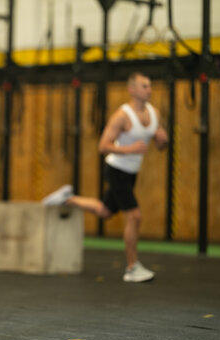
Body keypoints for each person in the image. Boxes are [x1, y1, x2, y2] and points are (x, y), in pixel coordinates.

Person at [43, 72, 168, 283]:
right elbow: (103, 146)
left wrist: (162, 141)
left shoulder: (154, 114)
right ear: (132, 90)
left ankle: (67, 198)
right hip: (116, 170)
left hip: (131, 173)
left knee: (105, 211)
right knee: (134, 216)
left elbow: (160, 146)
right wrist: (130, 149)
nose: (149, 90)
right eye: (144, 86)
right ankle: (132, 268)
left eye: (150, 86)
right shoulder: (122, 115)